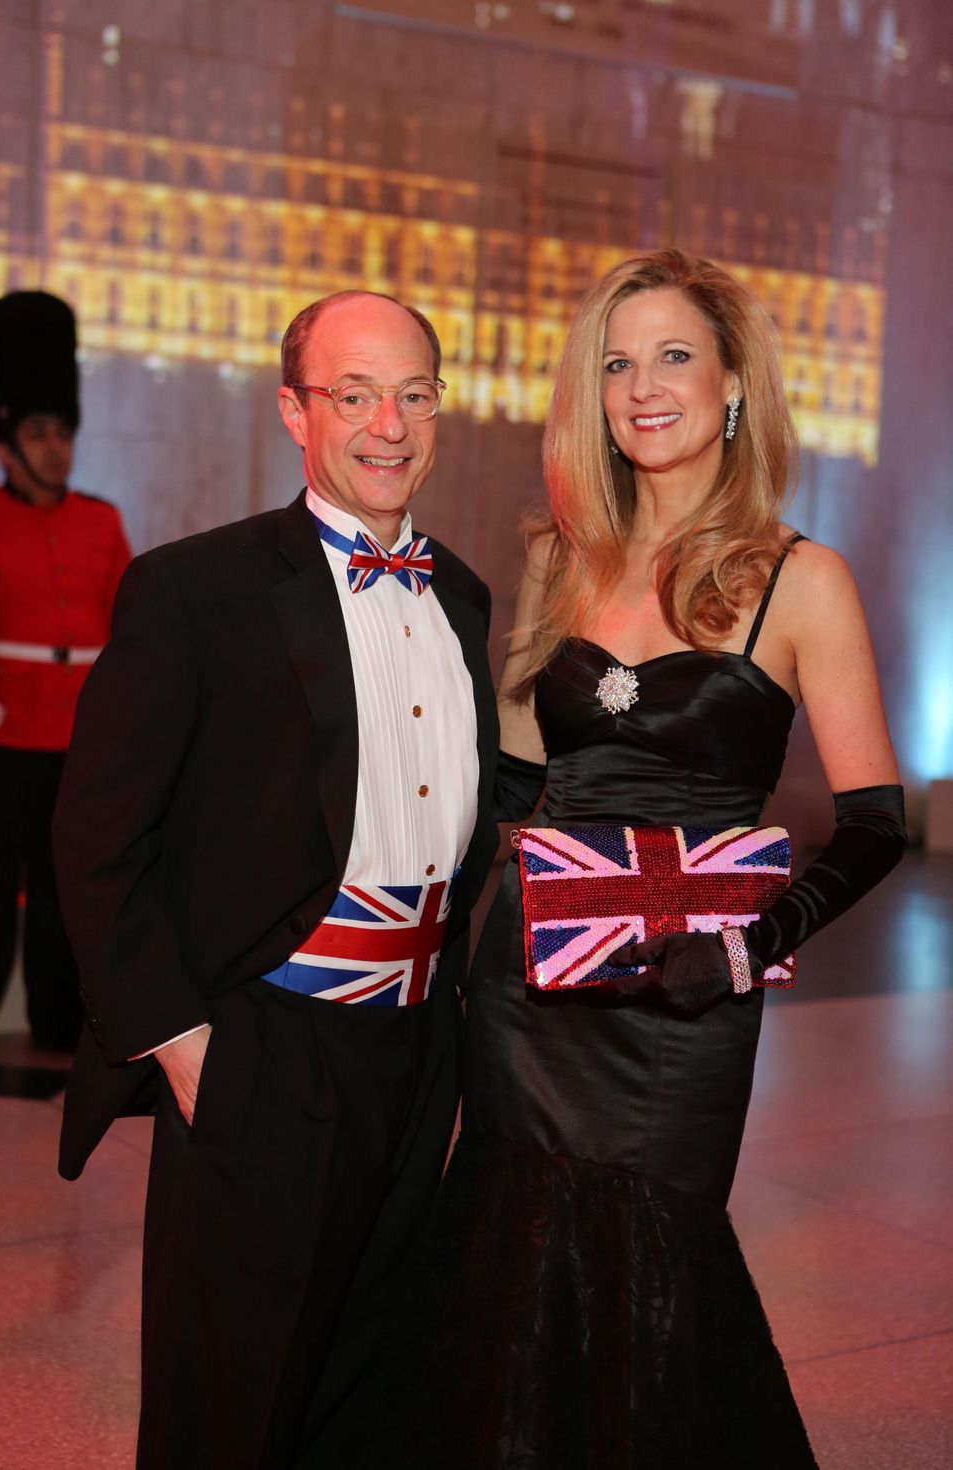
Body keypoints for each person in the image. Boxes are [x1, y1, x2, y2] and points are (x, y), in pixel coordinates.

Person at [372, 249, 906, 1468]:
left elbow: (873, 818)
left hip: (683, 1005)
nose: (641, 386)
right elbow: (510, 784)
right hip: (527, 989)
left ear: (729, 386)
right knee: (508, 1258)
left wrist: (743, 947)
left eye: (673, 355)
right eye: (616, 363)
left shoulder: (797, 580)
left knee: (651, 1265)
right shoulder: (563, 555)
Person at [52, 289, 500, 1470]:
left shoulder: (461, 595)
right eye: (353, 394)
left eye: (412, 393)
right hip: (267, 1047)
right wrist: (186, 1046)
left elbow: (473, 813)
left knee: (371, 1382)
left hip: (417, 1054)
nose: (386, 423)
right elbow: (97, 837)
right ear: (294, 411)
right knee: (231, 1402)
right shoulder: (195, 591)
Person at [0, 291, 131, 1063]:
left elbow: (125, 630)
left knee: (65, 894)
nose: (58, 448)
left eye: (64, 432)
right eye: (40, 433)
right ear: (6, 443)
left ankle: (56, 1025)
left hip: (75, 735)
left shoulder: (101, 520)